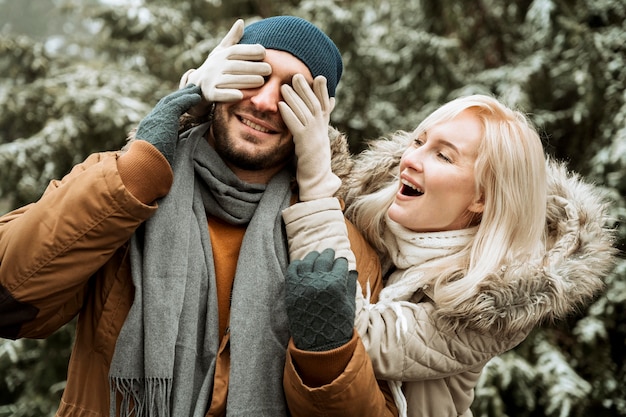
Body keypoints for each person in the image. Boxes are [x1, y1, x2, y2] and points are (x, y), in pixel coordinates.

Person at [0, 16, 397, 417]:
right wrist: (142, 165)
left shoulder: (338, 249)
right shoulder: (125, 194)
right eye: (253, 74)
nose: (262, 102)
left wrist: (326, 352)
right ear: (216, 76)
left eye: (291, 91)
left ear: (317, 116)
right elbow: (10, 299)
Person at [281, 94, 618, 416]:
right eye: (418, 141)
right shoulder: (372, 218)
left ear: (482, 198)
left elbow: (348, 330)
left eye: (443, 156)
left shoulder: (488, 306)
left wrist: (316, 187)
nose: (410, 159)